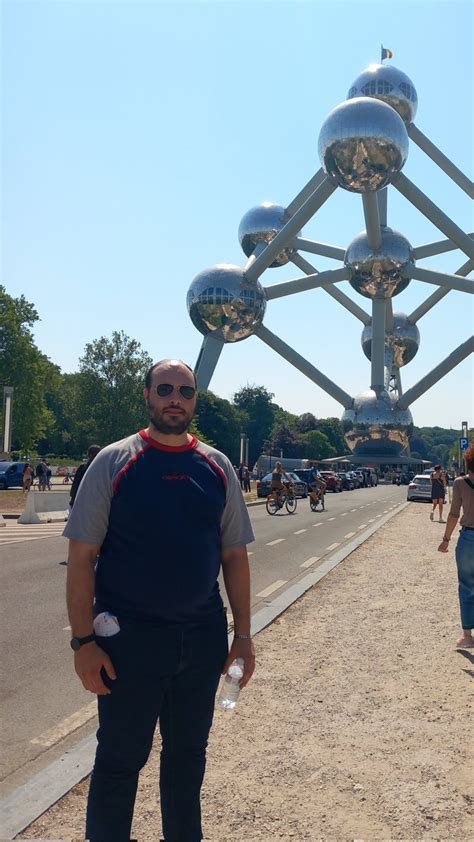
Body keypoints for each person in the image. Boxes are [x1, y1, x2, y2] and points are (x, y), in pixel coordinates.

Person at [64, 359, 255, 842]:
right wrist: (83, 642)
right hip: (128, 642)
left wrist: (244, 637)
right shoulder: (114, 462)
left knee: (188, 760)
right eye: (165, 389)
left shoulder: (216, 466)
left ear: (195, 401)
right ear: (147, 395)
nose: (175, 399)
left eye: (185, 392)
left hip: (202, 639)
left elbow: (234, 555)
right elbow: (82, 557)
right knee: (119, 762)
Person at [437, 442, 474, 648]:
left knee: (467, 586)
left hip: (469, 539)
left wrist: (446, 539)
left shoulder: (460, 483)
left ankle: (467, 636)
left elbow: (453, 515)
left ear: (468, 463)